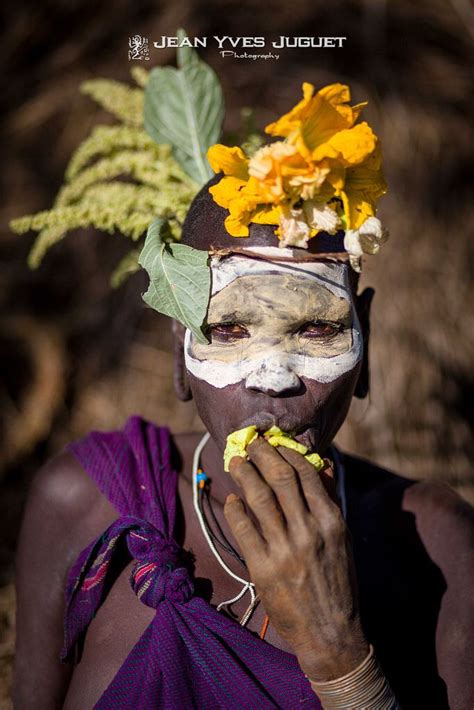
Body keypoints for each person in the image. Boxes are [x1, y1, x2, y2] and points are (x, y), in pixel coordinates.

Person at [13, 180, 474, 709]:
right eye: (229, 328)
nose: (273, 377)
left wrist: (341, 659)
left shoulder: (436, 545)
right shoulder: (85, 501)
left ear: (365, 335)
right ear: (179, 347)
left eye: (318, 328)